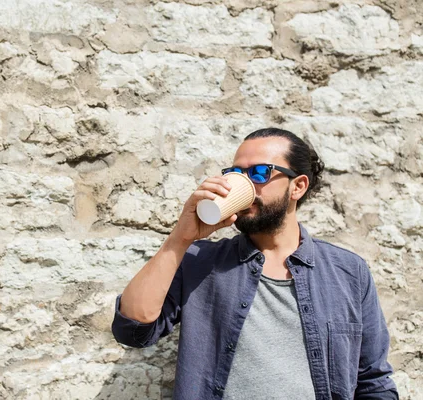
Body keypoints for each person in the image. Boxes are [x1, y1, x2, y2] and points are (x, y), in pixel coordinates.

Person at [111, 128, 399, 400]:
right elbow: (132, 330)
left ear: (297, 186)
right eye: (236, 172)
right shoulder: (200, 261)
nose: (245, 182)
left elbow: (373, 380)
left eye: (259, 173)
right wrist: (180, 238)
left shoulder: (347, 271)